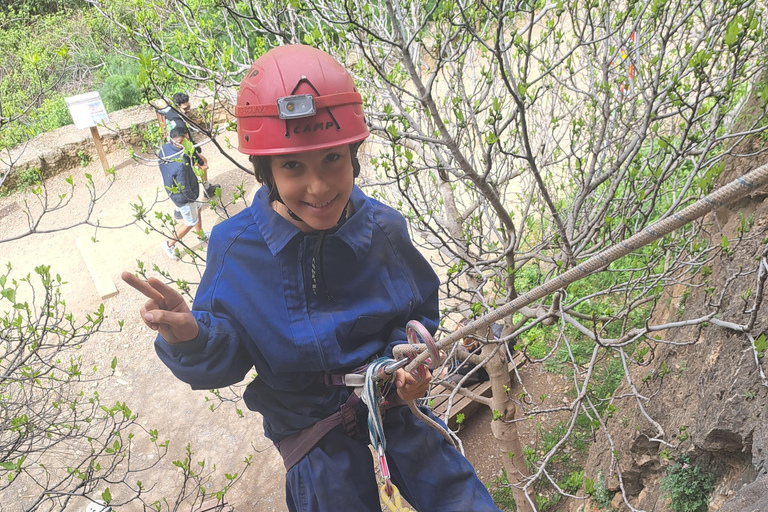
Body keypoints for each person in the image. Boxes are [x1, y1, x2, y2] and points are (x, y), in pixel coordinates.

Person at [124, 45, 502, 512]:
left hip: (389, 401)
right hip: (310, 430)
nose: (319, 186)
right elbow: (229, 356)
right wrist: (191, 337)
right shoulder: (235, 248)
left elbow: (417, 312)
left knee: (462, 503)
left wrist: (409, 364)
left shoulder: (382, 228)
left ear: (353, 154)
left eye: (331, 159)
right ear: (266, 171)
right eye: (292, 166)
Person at [157, 126, 210, 260]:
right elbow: (184, 187)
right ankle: (169, 244)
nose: (188, 143)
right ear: (179, 142)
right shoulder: (181, 164)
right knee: (190, 221)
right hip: (185, 196)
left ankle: (201, 235)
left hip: (173, 190)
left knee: (197, 209)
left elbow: (190, 154)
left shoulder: (165, 149)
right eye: (185, 140)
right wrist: (192, 197)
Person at [158, 92, 220, 200]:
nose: (189, 110)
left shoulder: (170, 113)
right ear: (178, 107)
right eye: (185, 108)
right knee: (202, 164)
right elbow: (186, 145)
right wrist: (199, 161)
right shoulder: (180, 124)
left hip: (173, 149)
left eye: (189, 107)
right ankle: (206, 189)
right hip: (181, 151)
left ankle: (179, 206)